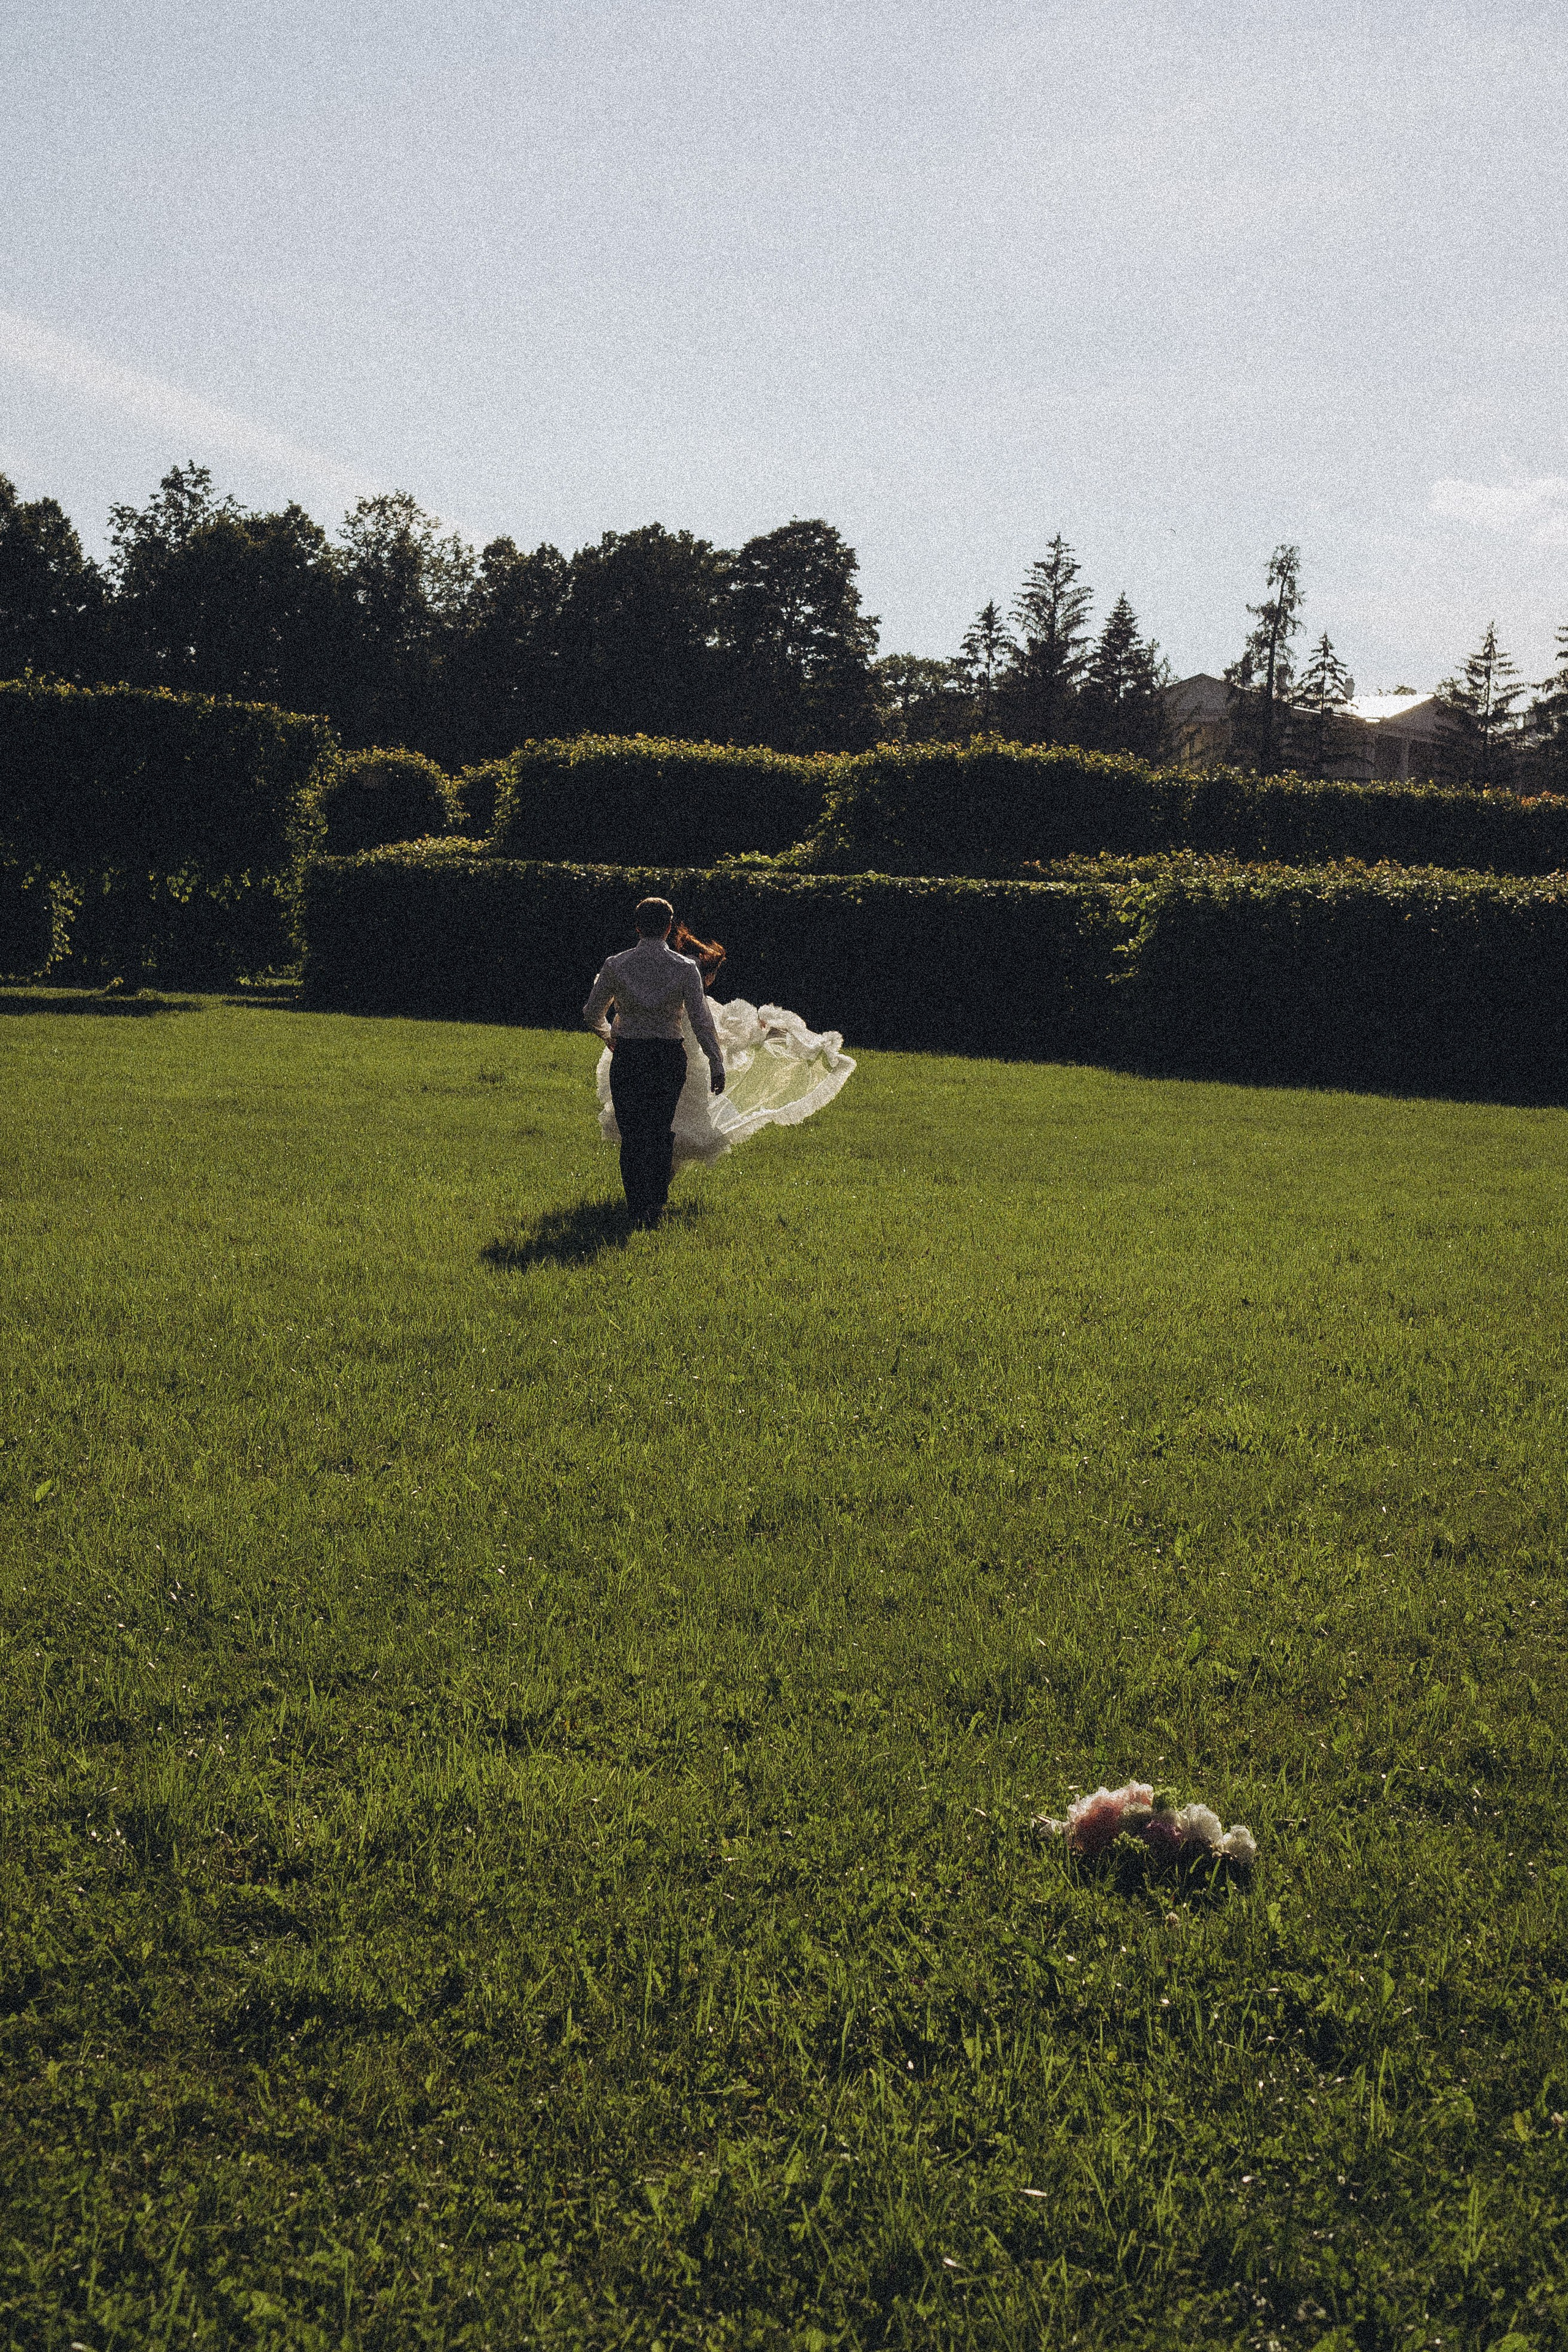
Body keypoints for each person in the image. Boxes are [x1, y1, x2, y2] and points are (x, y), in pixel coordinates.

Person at [583, 897, 725, 1227]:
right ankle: (654, 1205)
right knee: (660, 1130)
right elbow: (701, 1020)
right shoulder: (685, 968)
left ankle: (636, 1204)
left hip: (630, 1055)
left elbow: (592, 1013)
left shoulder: (616, 964)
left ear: (637, 926)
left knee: (633, 1133)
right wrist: (716, 1062)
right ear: (669, 926)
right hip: (667, 1056)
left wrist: (609, 1037)